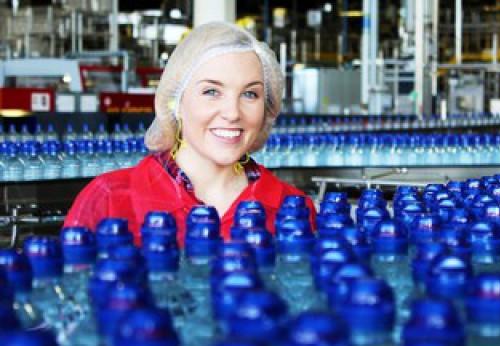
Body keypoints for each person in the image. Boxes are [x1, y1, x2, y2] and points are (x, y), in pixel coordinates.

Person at [64, 22, 316, 246]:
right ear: (176, 101)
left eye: (250, 94)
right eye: (211, 91)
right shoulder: (109, 199)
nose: (232, 113)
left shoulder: (292, 207)